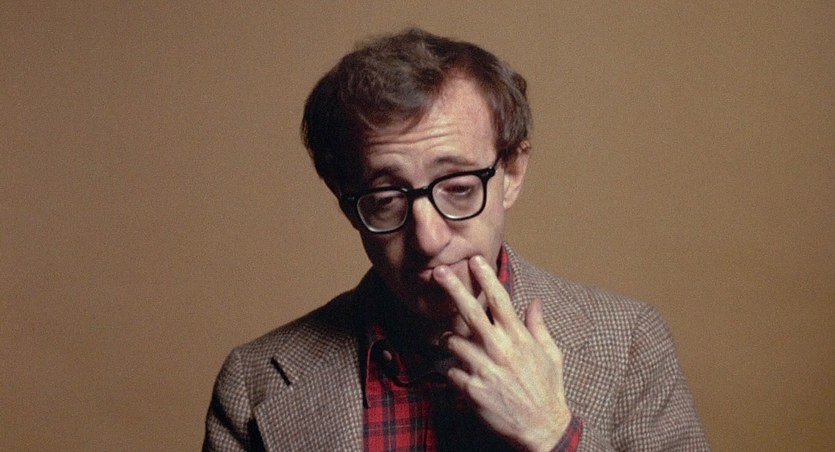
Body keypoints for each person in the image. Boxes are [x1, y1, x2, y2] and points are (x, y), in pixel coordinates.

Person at [203, 28, 709, 451]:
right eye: (386, 198)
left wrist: (553, 434)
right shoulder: (254, 382)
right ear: (344, 199)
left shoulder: (629, 343)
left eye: (459, 188)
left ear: (512, 173)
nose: (428, 239)